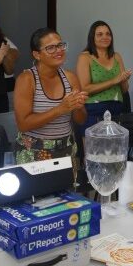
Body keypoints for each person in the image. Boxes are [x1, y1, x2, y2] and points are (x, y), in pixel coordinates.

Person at [13, 28, 87, 173]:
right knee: (37, 195)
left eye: (60, 45)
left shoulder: (70, 78)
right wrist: (60, 109)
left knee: (67, 195)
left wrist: (77, 106)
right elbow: (23, 124)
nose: (58, 50)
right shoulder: (27, 79)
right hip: (33, 151)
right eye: (50, 48)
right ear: (37, 54)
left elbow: (81, 120)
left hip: (65, 149)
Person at [76, 20, 131, 134]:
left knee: (114, 151)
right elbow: (85, 88)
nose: (105, 37)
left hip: (116, 111)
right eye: (99, 34)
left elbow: (124, 89)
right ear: (92, 37)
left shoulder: (117, 56)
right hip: (94, 111)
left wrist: (124, 79)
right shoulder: (85, 57)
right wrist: (113, 81)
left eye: (108, 34)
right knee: (94, 151)